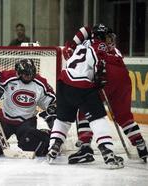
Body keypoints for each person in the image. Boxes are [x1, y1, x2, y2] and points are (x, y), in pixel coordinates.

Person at [63, 26, 148, 164]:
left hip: (106, 75)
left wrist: (71, 46)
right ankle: (139, 142)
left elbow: (84, 34)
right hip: (123, 78)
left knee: (85, 109)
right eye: (108, 37)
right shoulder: (116, 51)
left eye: (110, 38)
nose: (110, 40)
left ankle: (85, 147)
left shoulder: (90, 44)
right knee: (123, 115)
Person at [47, 24, 124, 169]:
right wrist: (100, 77)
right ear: (101, 37)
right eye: (107, 36)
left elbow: (86, 30)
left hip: (63, 82)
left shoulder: (82, 44)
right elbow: (99, 63)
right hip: (81, 85)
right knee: (97, 118)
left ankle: (53, 147)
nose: (109, 39)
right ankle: (107, 153)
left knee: (62, 119)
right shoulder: (100, 46)